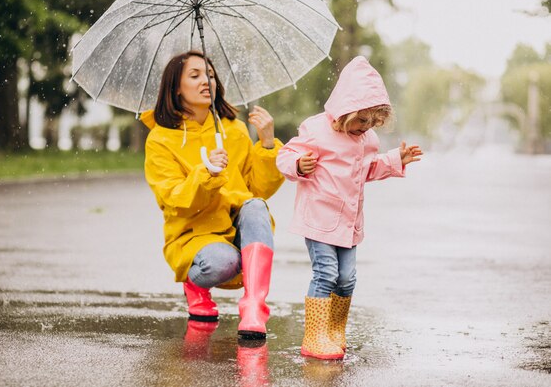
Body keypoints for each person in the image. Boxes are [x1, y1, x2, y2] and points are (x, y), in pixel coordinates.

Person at [276, 56, 423, 359]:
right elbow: (285, 155)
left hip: (349, 222)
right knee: (326, 273)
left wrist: (396, 159)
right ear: (345, 109)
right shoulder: (316, 129)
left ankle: (334, 330)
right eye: (361, 120)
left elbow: (368, 169)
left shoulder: (366, 140)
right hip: (318, 218)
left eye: (372, 122)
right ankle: (314, 336)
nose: (365, 127)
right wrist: (298, 164)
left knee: (347, 278)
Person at [141, 50, 285, 339]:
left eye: (210, 75)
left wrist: (268, 144)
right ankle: (195, 284)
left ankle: (255, 307)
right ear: (176, 88)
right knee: (225, 262)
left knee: (256, 206)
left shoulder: (234, 130)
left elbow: (257, 190)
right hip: (194, 235)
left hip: (235, 229)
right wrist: (207, 173)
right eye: (194, 76)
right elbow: (174, 199)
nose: (206, 81)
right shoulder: (161, 139)